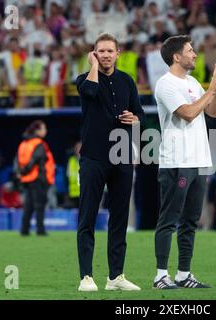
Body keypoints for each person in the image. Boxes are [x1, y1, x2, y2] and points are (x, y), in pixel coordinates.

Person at [153, 35, 216, 289]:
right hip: (176, 161)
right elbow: (187, 113)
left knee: (190, 221)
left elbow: (213, 112)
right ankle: (160, 276)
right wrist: (210, 90)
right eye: (190, 50)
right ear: (176, 56)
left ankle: (183, 274)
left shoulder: (194, 82)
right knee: (169, 219)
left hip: (198, 161)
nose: (195, 54)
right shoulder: (165, 84)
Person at [76, 33, 144, 292]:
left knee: (119, 218)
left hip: (122, 156)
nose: (105, 55)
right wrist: (93, 67)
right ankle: (86, 277)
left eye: (109, 51)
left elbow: (140, 112)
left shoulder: (127, 80)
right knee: (88, 217)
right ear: (94, 54)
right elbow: (90, 92)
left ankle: (116, 277)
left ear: (118, 53)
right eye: (100, 51)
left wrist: (134, 119)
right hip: (93, 157)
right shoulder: (84, 79)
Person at [17, 120, 55, 236]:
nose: (46, 131)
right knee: (39, 205)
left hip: (27, 179)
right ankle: (40, 230)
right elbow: (35, 159)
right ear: (37, 130)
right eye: (44, 128)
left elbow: (20, 161)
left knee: (28, 205)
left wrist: (22, 173)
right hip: (37, 178)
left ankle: (24, 229)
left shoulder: (24, 143)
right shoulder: (38, 143)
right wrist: (26, 170)